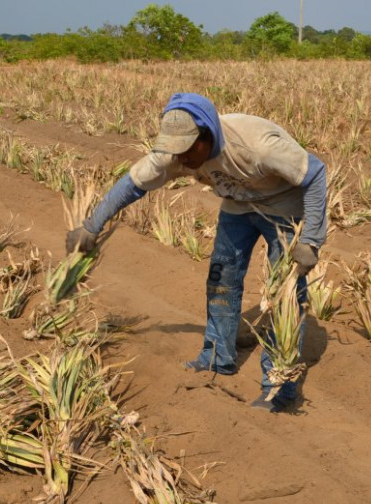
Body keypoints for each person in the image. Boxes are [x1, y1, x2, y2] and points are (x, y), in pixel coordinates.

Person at [66, 93, 326, 412]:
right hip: (238, 203)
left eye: (188, 149)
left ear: (207, 136)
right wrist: (91, 226)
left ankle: (279, 385)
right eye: (175, 150)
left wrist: (310, 239)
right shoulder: (174, 154)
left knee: (284, 294)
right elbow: (132, 185)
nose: (181, 159)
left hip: (284, 206)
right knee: (221, 279)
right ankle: (217, 357)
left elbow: (314, 173)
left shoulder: (257, 148)